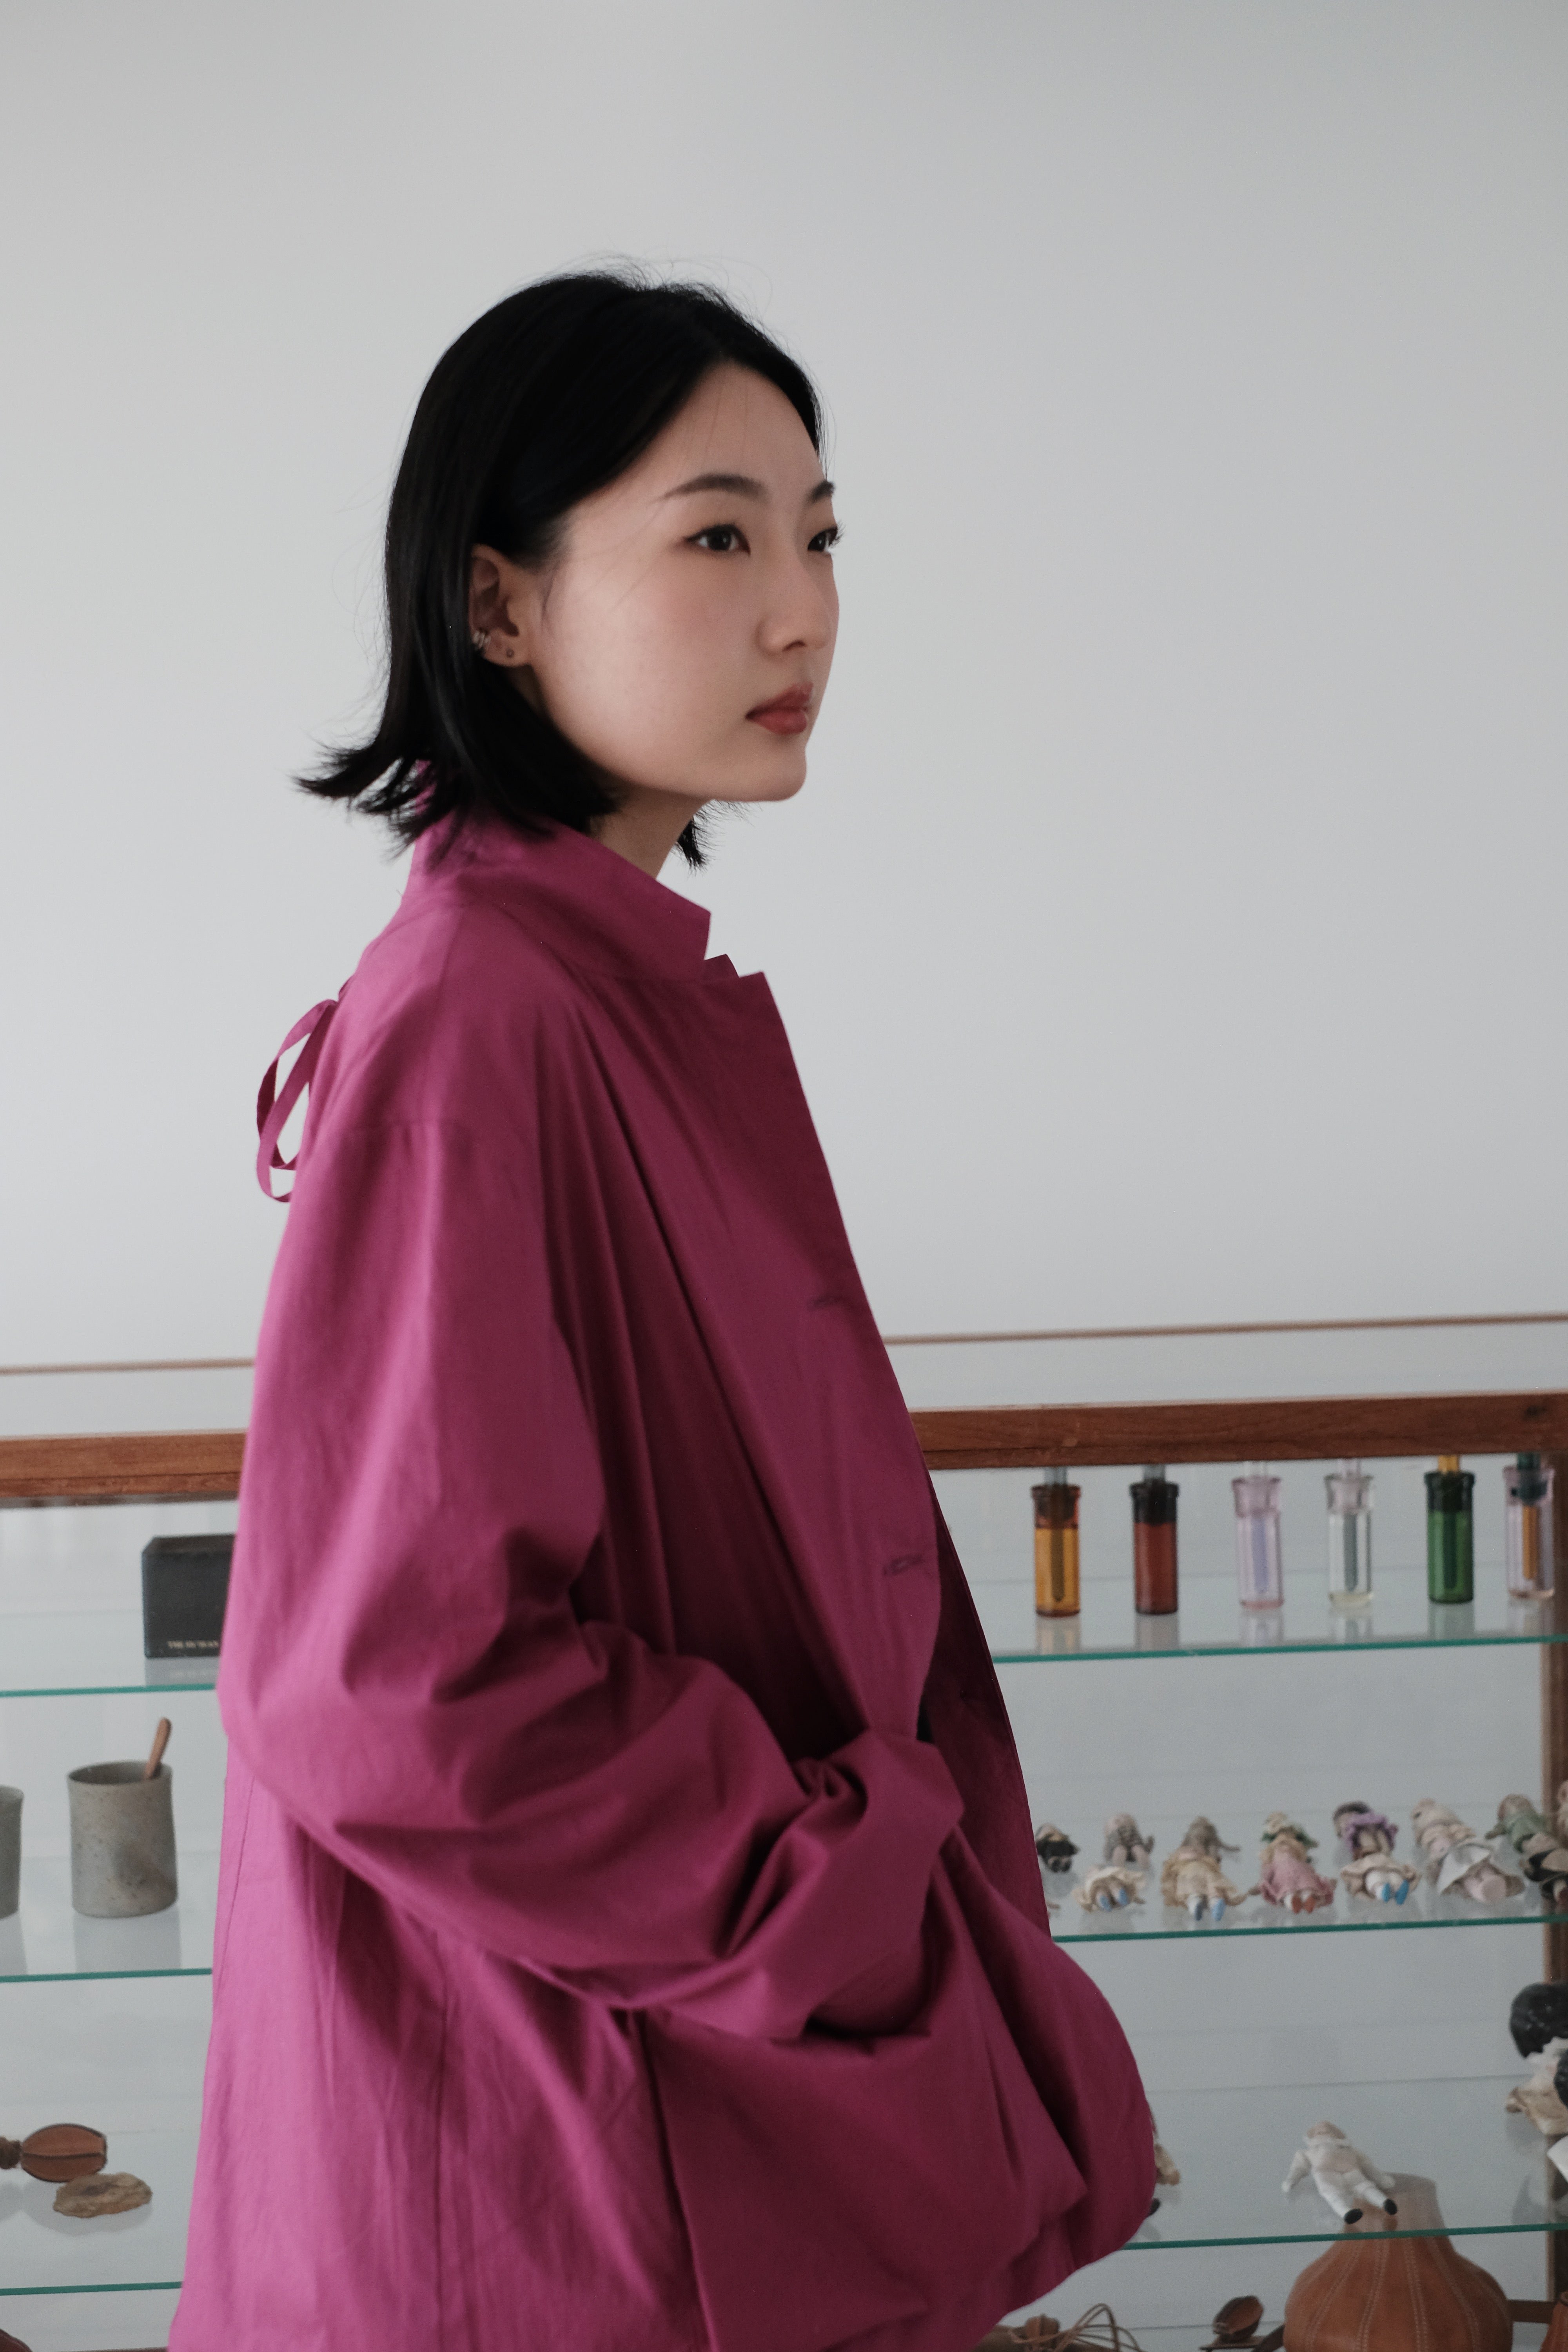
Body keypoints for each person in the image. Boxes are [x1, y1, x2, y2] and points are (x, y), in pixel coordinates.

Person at [171, 270, 1151, 2352]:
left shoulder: (589, 984)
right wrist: (831, 1887)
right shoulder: (489, 1015)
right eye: (716, 537)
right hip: (576, 2161)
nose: (802, 614)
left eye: (821, 538)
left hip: (654, 2108)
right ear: (498, 603)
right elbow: (391, 1685)